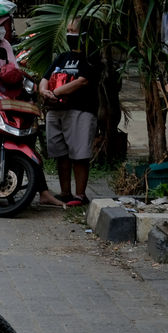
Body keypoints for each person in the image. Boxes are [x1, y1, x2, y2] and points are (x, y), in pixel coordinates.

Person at [0, 0, 66, 208]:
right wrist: (2, 79)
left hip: (7, 97)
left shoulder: (6, 45)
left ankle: (43, 191)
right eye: (1, 24)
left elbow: (15, 72)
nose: (4, 28)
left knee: (29, 125)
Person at [40, 19, 99, 206]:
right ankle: (65, 193)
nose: (69, 34)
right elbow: (45, 77)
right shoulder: (62, 57)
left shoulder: (91, 58)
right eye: (68, 30)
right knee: (61, 154)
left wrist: (56, 92)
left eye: (73, 30)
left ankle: (80, 195)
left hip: (80, 110)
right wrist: (44, 91)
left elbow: (82, 81)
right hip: (56, 110)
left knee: (79, 155)